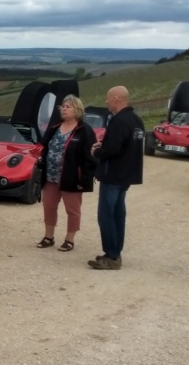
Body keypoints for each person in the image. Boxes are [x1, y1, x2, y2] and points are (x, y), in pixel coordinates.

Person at [88, 86, 144, 271]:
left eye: (108, 98)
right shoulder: (136, 121)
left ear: (117, 98)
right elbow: (126, 147)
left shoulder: (119, 121)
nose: (106, 102)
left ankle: (111, 255)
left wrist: (97, 151)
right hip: (126, 175)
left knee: (106, 215)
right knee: (118, 214)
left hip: (113, 174)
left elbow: (113, 150)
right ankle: (115, 252)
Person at [35, 94, 97, 252]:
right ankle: (49, 237)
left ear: (77, 109)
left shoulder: (85, 131)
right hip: (51, 176)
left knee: (72, 210)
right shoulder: (55, 127)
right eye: (62, 106)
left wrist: (85, 178)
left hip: (71, 178)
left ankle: (69, 240)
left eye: (67, 106)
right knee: (49, 206)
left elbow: (90, 157)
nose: (63, 109)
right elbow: (45, 147)